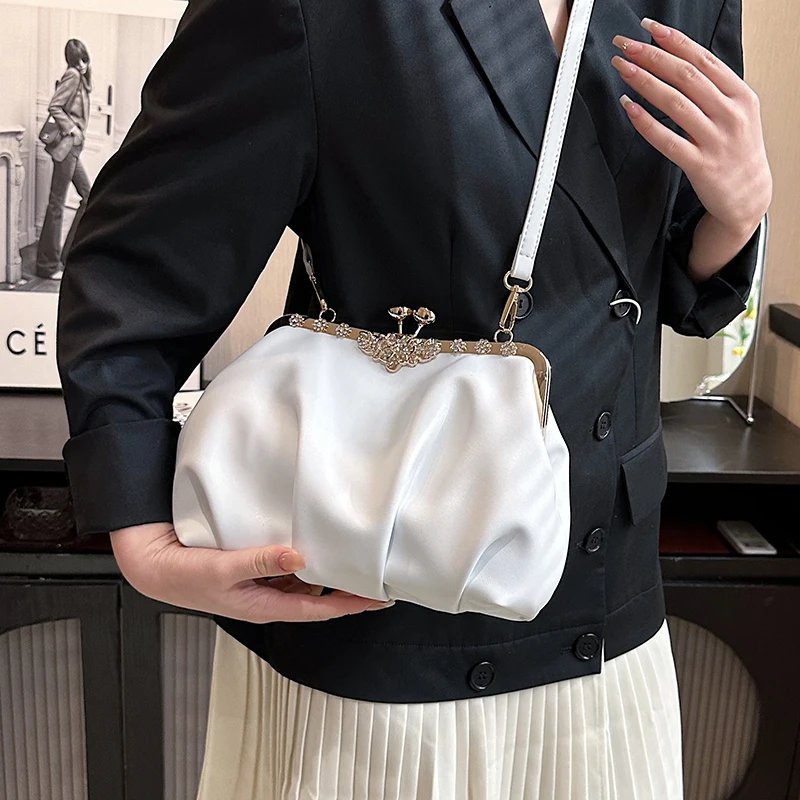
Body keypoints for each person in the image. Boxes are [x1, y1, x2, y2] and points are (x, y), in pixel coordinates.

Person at [55, 0, 771, 797]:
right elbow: (137, 265)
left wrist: (737, 213)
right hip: (373, 631)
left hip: (608, 617)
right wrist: (138, 533)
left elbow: (660, 274)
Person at [36, 38, 93, 281]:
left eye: (84, 59)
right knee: (57, 204)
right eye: (77, 60)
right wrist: (72, 129)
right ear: (71, 61)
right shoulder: (72, 75)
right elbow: (55, 106)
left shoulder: (82, 80)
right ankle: (47, 265)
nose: (82, 65)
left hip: (73, 149)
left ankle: (67, 256)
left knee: (88, 196)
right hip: (67, 147)